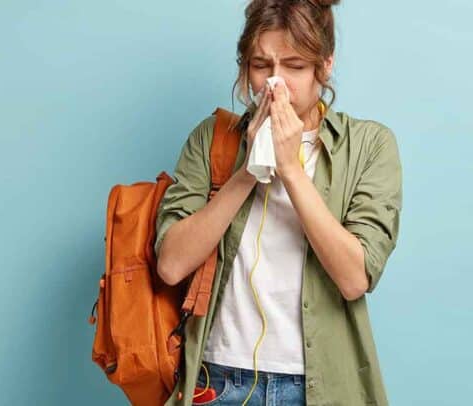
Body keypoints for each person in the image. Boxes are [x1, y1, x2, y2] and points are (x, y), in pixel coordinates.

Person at [155, 0, 402, 404]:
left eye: (295, 66)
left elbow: (354, 279)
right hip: (217, 380)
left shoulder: (370, 146)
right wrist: (248, 170)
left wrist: (290, 168)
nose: (276, 83)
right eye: (261, 65)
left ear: (325, 65)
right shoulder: (212, 138)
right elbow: (171, 265)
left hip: (317, 388)